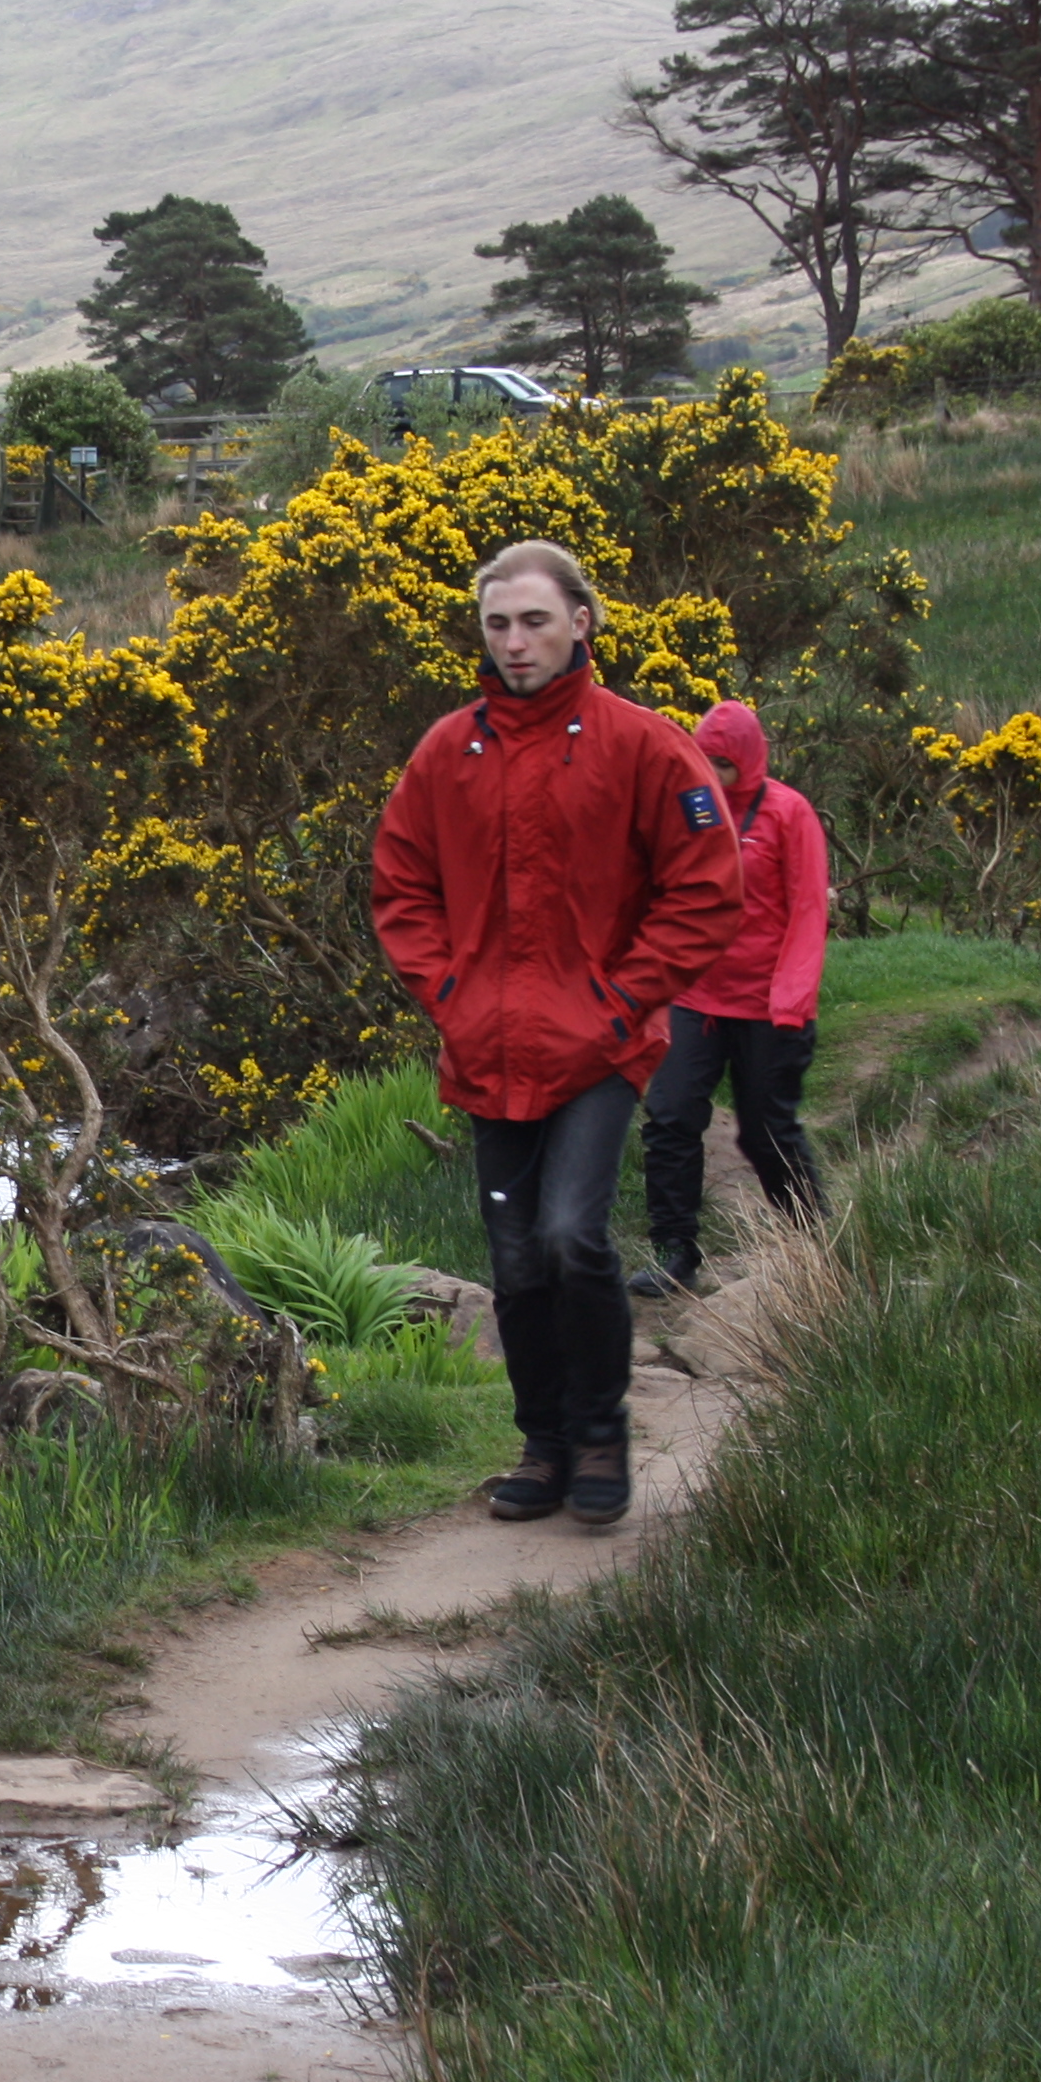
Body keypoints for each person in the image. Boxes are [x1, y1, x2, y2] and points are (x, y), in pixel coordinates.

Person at [371, 541, 745, 1529]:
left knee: (573, 1236)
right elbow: (400, 886)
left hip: (600, 1046)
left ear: (582, 621)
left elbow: (709, 887)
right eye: (497, 623)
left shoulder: (644, 745)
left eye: (534, 620)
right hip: (486, 1047)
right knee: (515, 1261)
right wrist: (452, 996)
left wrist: (624, 999)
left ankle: (599, 1431)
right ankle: (542, 1444)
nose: (515, 641)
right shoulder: (447, 751)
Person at [628, 698, 828, 1299]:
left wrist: (790, 1001)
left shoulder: (788, 813)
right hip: (694, 997)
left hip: (769, 1006)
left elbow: (808, 911)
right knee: (670, 1116)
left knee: (765, 1132)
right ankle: (675, 1251)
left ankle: (812, 1242)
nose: (712, 774)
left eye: (723, 763)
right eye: (704, 760)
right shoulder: (690, 808)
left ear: (748, 760)